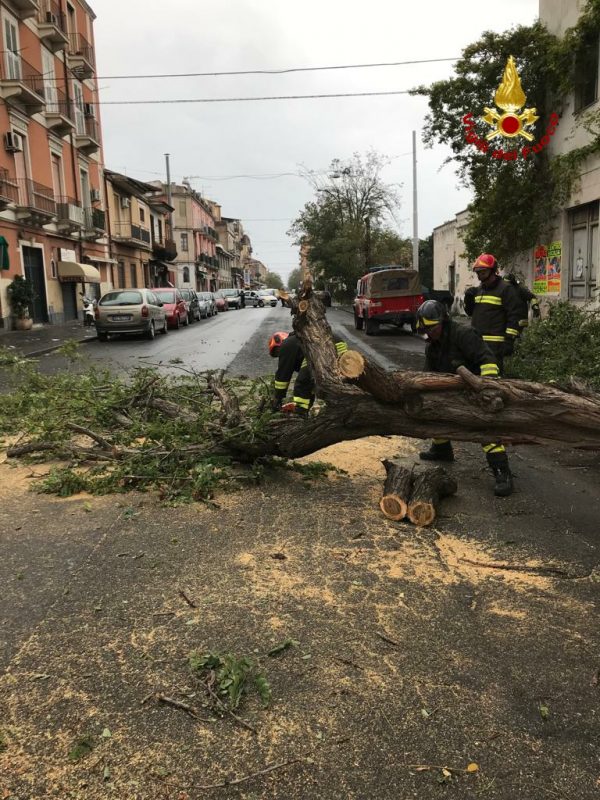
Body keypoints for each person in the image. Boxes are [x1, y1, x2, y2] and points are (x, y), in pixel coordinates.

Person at [417, 299, 513, 497]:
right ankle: (442, 449)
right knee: (433, 411)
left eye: (432, 327)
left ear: (443, 321)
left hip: (477, 390)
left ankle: (502, 472)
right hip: (452, 391)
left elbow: (488, 361)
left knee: (483, 427)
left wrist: (487, 389)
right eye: (426, 328)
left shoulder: (463, 334)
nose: (429, 332)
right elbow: (429, 374)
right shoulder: (433, 345)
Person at [464, 253, 522, 372]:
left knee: (492, 380)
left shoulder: (506, 289)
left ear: (493, 271)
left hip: (495, 346)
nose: (480, 276)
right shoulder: (479, 290)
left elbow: (514, 316)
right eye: (478, 273)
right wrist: (468, 300)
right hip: (477, 344)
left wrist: (509, 340)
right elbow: (471, 313)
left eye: (483, 272)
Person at [268, 331, 347, 415]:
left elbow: (283, 376)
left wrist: (278, 398)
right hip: (338, 345)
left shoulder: (286, 344)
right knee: (322, 382)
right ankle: (340, 407)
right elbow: (310, 381)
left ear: (280, 342)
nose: (279, 354)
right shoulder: (297, 341)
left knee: (302, 383)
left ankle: (300, 413)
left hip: (323, 348)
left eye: (276, 351)